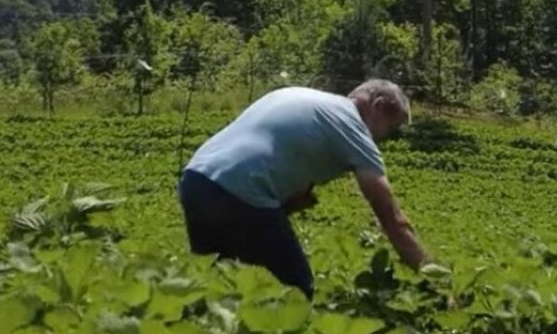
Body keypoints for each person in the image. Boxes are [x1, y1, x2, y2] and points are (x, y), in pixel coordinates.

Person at [176, 79, 429, 300]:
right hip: (243, 192)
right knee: (294, 293)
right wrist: (435, 280)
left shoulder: (303, 97)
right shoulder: (353, 129)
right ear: (378, 105)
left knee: (219, 286)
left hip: (196, 182)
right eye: (391, 128)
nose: (384, 139)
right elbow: (393, 220)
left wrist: (285, 206)